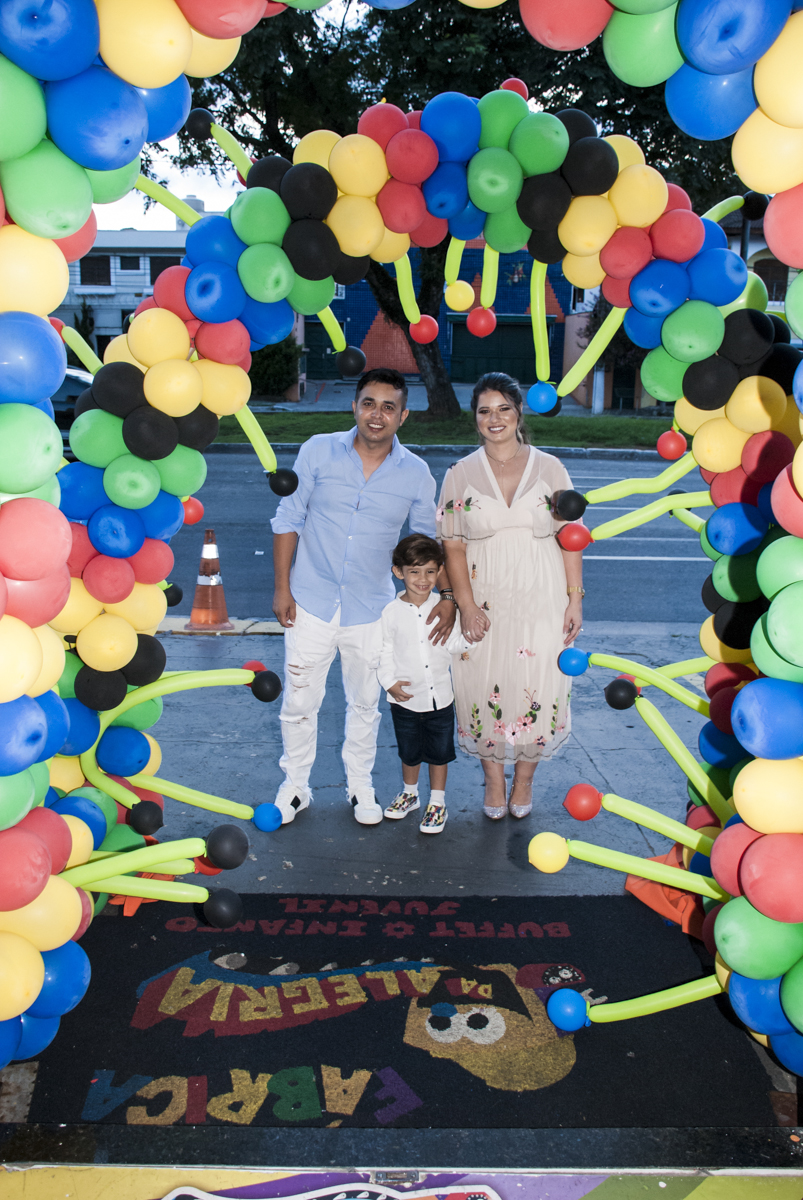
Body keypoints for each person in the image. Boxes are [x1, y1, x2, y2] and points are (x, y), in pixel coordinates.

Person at [270, 367, 456, 826]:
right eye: (369, 403)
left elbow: (426, 542)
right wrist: (282, 588)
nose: (377, 415)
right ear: (354, 406)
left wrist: (447, 595)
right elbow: (288, 518)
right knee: (299, 703)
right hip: (310, 601)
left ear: (403, 416)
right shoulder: (317, 451)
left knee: (365, 704)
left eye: (389, 407)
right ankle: (295, 787)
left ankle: (360, 787)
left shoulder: (415, 473)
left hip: (371, 610)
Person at [438, 372, 584, 820]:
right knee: (479, 684)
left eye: (503, 408)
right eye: (485, 411)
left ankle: (524, 782)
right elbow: (452, 544)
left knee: (537, 684)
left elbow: (570, 536)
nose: (494, 418)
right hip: (484, 599)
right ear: (475, 419)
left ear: (519, 412)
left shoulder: (550, 468)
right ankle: (495, 782)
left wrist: (575, 598)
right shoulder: (459, 474)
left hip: (542, 597)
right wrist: (465, 604)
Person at [378, 533, 472, 835]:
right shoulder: (389, 613)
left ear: (439, 571)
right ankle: (410, 792)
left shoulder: (445, 608)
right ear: (398, 572)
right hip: (404, 698)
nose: (423, 579)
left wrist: (472, 636)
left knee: (439, 751)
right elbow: (383, 651)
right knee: (409, 750)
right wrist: (389, 683)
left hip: (441, 698)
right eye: (414, 571)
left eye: (430, 571)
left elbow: (454, 643)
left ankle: (437, 801)